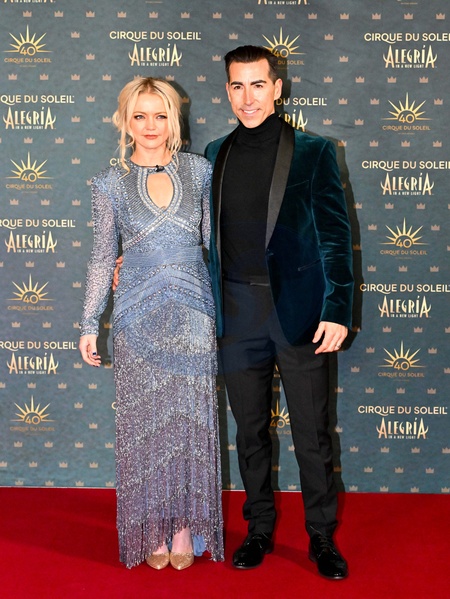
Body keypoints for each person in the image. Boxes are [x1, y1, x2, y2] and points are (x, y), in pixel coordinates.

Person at [205, 46, 354, 579]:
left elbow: (335, 236)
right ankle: (259, 529)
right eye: (237, 86)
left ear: (277, 87)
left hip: (299, 312)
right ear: (227, 90)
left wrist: (337, 307)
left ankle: (321, 537)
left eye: (257, 85)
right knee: (249, 432)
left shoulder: (314, 152)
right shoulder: (214, 153)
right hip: (236, 311)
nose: (247, 97)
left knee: (313, 433)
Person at [79, 76, 224, 571]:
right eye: (139, 116)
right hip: (136, 313)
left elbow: (215, 244)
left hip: (193, 311)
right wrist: (88, 323)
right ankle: (153, 527)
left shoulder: (200, 171)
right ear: (124, 120)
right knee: (144, 424)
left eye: (160, 115)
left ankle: (184, 528)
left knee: (188, 420)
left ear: (174, 120)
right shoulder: (108, 183)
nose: (150, 126)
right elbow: (103, 257)